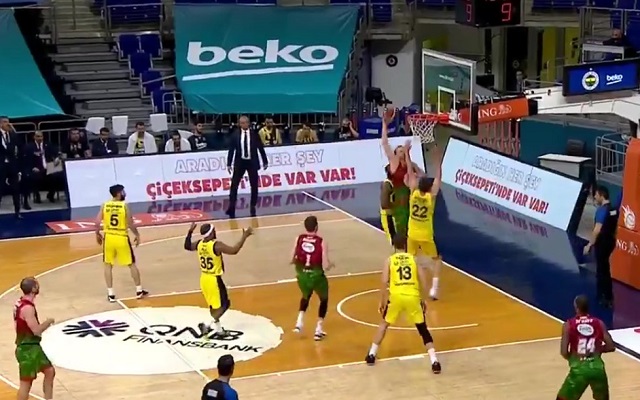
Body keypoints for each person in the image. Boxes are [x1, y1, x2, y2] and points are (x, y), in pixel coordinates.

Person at [365, 233, 441, 374]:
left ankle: (371, 354)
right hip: (412, 296)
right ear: (406, 245)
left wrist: (382, 301)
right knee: (423, 329)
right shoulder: (413, 259)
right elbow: (423, 280)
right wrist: (423, 298)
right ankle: (434, 361)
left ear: (394, 246)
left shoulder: (390, 260)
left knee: (384, 324)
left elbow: (384, 282)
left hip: (396, 297)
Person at [184, 222, 253, 335]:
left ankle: (218, 329)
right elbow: (234, 250)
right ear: (211, 233)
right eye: (214, 230)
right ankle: (206, 324)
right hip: (214, 279)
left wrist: (190, 232)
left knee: (214, 306)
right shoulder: (216, 245)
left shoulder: (199, 244)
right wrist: (244, 236)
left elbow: (187, 246)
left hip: (204, 279)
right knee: (225, 304)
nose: (215, 232)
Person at [95, 184, 147, 302]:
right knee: (131, 264)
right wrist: (137, 235)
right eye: (123, 191)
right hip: (121, 237)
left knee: (108, 265)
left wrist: (97, 234)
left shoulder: (105, 205)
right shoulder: (124, 206)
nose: (124, 193)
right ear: (118, 193)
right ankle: (139, 290)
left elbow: (97, 222)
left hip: (109, 238)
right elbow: (130, 223)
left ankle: (111, 294)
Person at [556, 295, 615, 400]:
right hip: (597, 369)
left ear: (576, 307)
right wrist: (598, 350)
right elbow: (611, 346)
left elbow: (564, 352)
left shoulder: (569, 325)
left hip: (579, 370)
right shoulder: (599, 323)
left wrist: (573, 358)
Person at [405, 142, 442, 300]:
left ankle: (411, 285)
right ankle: (434, 289)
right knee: (437, 260)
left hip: (412, 234)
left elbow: (409, 171)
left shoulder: (413, 192)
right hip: (426, 235)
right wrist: (437, 160)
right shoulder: (430, 197)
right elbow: (438, 177)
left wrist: (407, 153)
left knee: (411, 260)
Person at [380, 110, 424, 237]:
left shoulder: (410, 164)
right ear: (396, 154)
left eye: (403, 150)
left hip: (410, 198)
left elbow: (423, 176)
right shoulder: (395, 163)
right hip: (398, 197)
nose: (402, 152)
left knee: (409, 229)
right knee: (400, 229)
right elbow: (385, 144)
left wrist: (416, 173)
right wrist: (384, 125)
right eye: (400, 151)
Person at [291, 215, 334, 340]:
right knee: (324, 300)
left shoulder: (298, 239)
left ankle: (299, 323)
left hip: (302, 276)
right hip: (316, 276)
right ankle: (318, 330)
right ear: (316, 227)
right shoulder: (321, 241)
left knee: (306, 295)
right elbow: (325, 265)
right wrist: (331, 265)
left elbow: (291, 259)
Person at [14, 277, 56, 400]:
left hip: (31, 347)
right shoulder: (28, 308)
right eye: (36, 285)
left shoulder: (19, 302)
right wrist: (48, 322)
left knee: (49, 371)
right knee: (26, 384)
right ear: (33, 289)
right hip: (28, 349)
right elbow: (36, 331)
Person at [226, 116, 268, 219]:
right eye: (242, 123)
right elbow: (231, 150)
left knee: (254, 185)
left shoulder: (254, 134)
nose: (244, 124)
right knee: (234, 185)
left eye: (245, 122)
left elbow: (260, 148)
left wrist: (265, 161)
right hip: (240, 162)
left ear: (248, 123)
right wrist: (229, 163)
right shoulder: (235, 135)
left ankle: (253, 205)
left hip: (251, 162)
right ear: (239, 124)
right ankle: (232, 206)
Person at [583, 185, 617, 308]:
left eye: (596, 195)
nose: (595, 198)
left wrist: (589, 244)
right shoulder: (614, 209)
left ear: (602, 196)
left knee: (601, 270)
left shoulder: (602, 210)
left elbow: (597, 229)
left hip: (602, 242)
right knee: (605, 268)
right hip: (610, 241)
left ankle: (602, 297)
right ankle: (609, 296)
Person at [0, 116, 22, 218]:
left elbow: (19, 146)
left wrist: (14, 130)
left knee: (15, 189)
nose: (8, 124)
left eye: (8, 122)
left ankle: (17, 211)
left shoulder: (13, 135)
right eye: (5, 122)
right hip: (1, 165)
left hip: (12, 165)